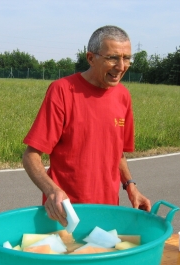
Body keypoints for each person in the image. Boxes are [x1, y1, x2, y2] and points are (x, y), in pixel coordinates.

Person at [22, 25, 151, 227]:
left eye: (127, 58)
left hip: (108, 212)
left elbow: (117, 152)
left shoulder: (123, 96)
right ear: (91, 58)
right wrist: (52, 191)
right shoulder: (62, 91)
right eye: (113, 57)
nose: (121, 66)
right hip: (66, 214)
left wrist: (130, 186)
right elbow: (31, 155)